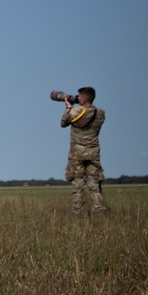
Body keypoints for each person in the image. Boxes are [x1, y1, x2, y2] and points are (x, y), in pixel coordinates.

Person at [60, 86, 107, 214]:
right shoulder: (100, 113)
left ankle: (78, 212)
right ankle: (99, 212)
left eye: (79, 96)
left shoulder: (76, 112)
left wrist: (68, 108)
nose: (77, 98)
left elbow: (63, 123)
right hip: (93, 154)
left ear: (84, 98)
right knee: (94, 186)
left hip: (77, 155)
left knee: (78, 186)